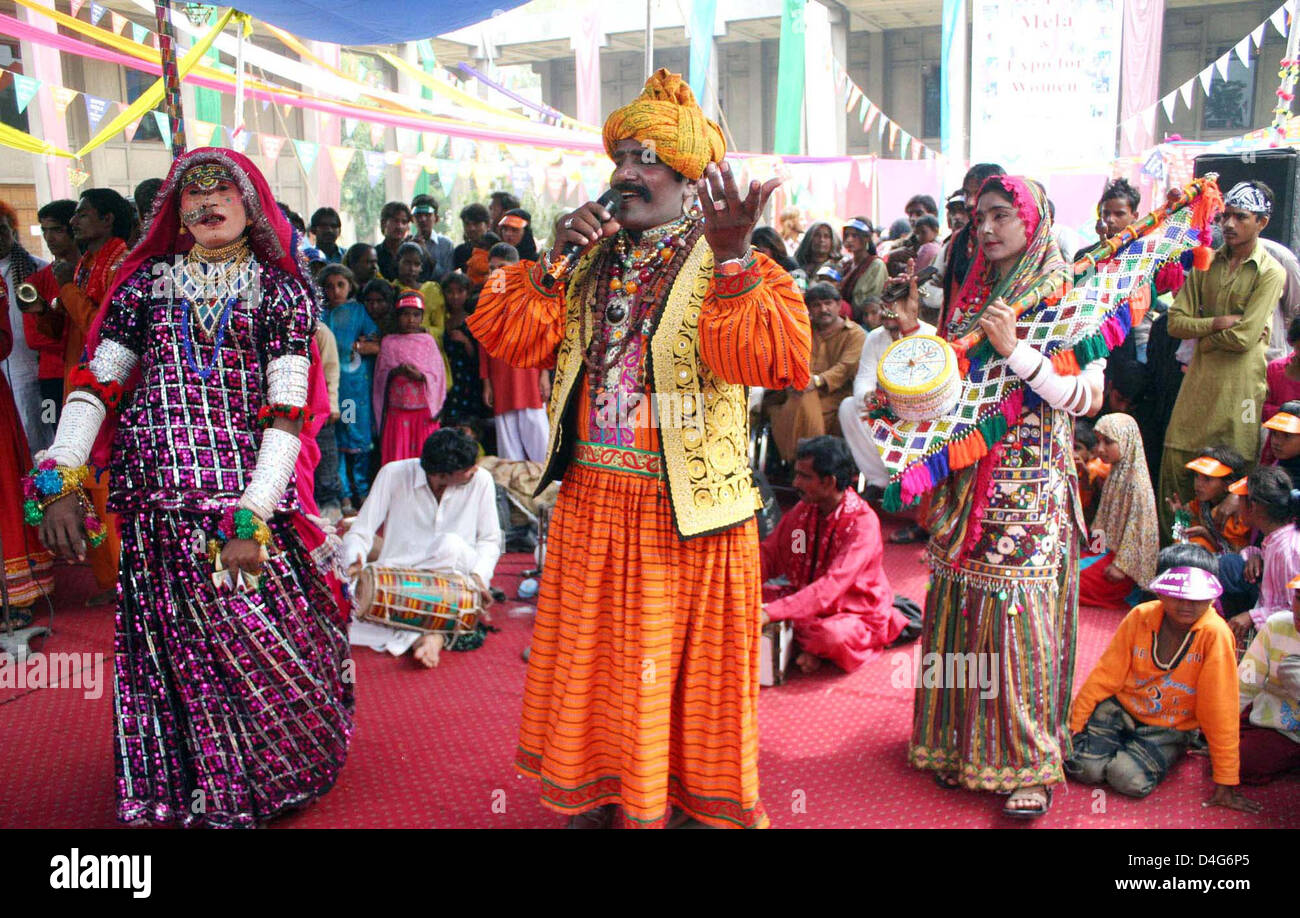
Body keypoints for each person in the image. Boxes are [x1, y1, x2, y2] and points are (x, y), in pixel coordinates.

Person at [468, 68, 809, 829]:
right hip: (592, 500)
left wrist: (730, 259)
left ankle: (681, 809)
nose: (625, 173)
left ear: (691, 178)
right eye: (621, 156)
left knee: (680, 678)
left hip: (687, 514)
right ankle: (601, 796)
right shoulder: (588, 257)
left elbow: (772, 361)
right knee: (600, 672)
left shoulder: (732, 257)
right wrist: (552, 261)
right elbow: (509, 336)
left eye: (646, 158)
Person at [34, 147, 353, 827]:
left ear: (251, 204)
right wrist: (62, 472)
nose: (207, 204)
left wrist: (252, 514)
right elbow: (96, 382)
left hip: (237, 509)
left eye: (223, 192)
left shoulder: (282, 291)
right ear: (173, 210)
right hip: (153, 505)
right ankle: (187, 787)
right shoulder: (146, 285)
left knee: (259, 652)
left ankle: (267, 778)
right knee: (168, 658)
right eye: (192, 194)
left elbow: (288, 413)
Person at [909, 176, 1106, 818]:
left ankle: (1027, 761)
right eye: (977, 217)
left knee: (1016, 618)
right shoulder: (972, 296)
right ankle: (960, 744)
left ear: (1032, 220)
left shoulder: (1067, 294)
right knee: (962, 605)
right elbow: (951, 398)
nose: (986, 228)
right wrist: (916, 347)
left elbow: (1086, 400)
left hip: (1028, 489)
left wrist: (1016, 351)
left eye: (1000, 215)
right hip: (970, 487)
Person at [1066, 544, 1259, 812]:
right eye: (1177, 595)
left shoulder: (1215, 634)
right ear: (1158, 590)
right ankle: (1117, 745)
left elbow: (1220, 706)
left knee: (1126, 779)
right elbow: (1105, 675)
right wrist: (1072, 725)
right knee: (1083, 770)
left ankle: (1166, 748)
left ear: (1212, 597)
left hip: (1172, 724)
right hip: (1121, 708)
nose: (1186, 604)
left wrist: (1225, 779)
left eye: (1197, 597)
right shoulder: (1140, 616)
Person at [1159, 181, 1285, 541]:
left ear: (1261, 222)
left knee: (1236, 476)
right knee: (1177, 468)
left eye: (1240, 217)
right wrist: (1217, 323)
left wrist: (1203, 336)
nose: (1228, 224)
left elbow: (1245, 339)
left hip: (1242, 393)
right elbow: (1174, 323)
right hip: (1198, 385)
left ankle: (1219, 572)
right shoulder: (1205, 262)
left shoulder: (1271, 271)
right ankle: (1176, 560)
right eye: (1225, 215)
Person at [42, 188, 134, 606]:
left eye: (82, 215)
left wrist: (67, 290)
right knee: (88, 478)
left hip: (107, 385)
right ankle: (108, 578)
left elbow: (103, 324)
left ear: (108, 220)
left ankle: (123, 580)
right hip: (78, 382)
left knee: (105, 481)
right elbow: (70, 328)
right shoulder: (84, 264)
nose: (73, 223)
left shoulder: (119, 261)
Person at [344, 428, 501, 668]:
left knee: (450, 544)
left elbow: (490, 540)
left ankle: (415, 633)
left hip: (453, 580)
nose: (475, 471)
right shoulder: (393, 474)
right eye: (467, 471)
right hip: (398, 581)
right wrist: (354, 564)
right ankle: (431, 635)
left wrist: (480, 578)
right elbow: (361, 531)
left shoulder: (481, 480)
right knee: (344, 615)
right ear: (439, 475)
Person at [759, 436, 906, 673]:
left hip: (851, 612)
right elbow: (777, 556)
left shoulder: (861, 524)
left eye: (804, 477)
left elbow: (832, 586)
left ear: (829, 482)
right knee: (741, 599)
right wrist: (739, 584)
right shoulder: (803, 514)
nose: (795, 482)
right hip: (806, 599)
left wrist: (769, 613)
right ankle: (803, 647)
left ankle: (807, 645)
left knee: (833, 637)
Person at [838, 269, 934, 495]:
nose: (889, 312)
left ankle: (912, 480)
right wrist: (868, 397)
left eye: (896, 306)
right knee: (849, 407)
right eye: (886, 306)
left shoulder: (929, 334)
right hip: (885, 408)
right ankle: (879, 480)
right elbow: (864, 379)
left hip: (919, 411)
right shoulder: (874, 337)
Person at [768, 282, 864, 464]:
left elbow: (845, 368)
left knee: (802, 397)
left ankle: (800, 461)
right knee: (799, 396)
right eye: (816, 305)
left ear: (839, 304)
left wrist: (817, 380)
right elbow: (786, 358)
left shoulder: (855, 334)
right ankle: (814, 463)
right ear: (809, 308)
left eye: (828, 303)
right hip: (797, 390)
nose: (823, 309)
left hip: (835, 395)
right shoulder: (800, 329)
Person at [1078, 413, 1158, 610]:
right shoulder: (1116, 473)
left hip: (1121, 570)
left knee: (1067, 578)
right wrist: (1093, 551)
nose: (1100, 449)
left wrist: (1120, 567)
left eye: (1108, 442)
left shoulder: (1136, 484)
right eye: (1098, 442)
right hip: (1106, 553)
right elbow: (1102, 521)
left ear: (1126, 441)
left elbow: (1141, 531)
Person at [479, 243, 549, 461]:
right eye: (492, 269)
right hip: (501, 380)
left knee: (539, 440)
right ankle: (514, 493)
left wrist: (545, 374)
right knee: (509, 449)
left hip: (529, 378)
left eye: (502, 267)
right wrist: (486, 382)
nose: (497, 273)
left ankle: (547, 490)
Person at [321, 265, 379, 511]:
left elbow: (375, 344)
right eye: (330, 286)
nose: (335, 291)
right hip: (330, 390)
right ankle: (343, 496)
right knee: (336, 444)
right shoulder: (320, 315)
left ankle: (363, 493)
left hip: (353, 392)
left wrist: (359, 347)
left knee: (356, 442)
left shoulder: (357, 312)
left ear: (350, 285)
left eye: (341, 285)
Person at [22, 200, 79, 436]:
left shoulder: (95, 271)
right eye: (44, 230)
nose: (49, 237)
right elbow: (34, 339)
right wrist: (75, 335)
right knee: (58, 438)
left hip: (87, 373)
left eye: (56, 229)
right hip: (52, 379)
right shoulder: (35, 282)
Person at [1237, 571, 1300, 784]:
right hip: (1273, 720)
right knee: (1237, 759)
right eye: (1299, 597)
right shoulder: (1277, 625)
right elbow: (1245, 682)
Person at [1229, 467, 1300, 645]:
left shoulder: (1286, 550)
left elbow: (1294, 609)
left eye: (1240, 499)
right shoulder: (1276, 539)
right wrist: (1255, 555)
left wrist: (1252, 616)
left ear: (1253, 506)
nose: (1237, 504)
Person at [374, 290, 446, 464]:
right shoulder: (388, 342)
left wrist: (420, 376)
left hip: (423, 413)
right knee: (398, 460)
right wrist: (395, 372)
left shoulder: (428, 342)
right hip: (397, 414)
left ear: (422, 317)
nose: (411, 320)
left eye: (416, 315)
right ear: (398, 316)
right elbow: (380, 376)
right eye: (405, 315)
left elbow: (438, 375)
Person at [0, 200, 49, 453]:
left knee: (40, 436)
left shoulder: (37, 268)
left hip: (33, 373)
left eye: (1, 230)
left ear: (12, 230)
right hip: (4, 378)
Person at [440, 271, 489, 425]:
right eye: (450, 292)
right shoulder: (440, 320)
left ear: (467, 293)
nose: (455, 296)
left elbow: (479, 357)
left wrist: (466, 342)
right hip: (446, 379)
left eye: (460, 292)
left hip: (467, 381)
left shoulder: (473, 320)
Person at [312, 317, 342, 520]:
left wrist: (332, 404)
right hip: (293, 408)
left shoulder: (321, 332)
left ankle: (330, 503)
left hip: (319, 407)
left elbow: (331, 370)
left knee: (326, 456)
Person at [393, 240, 448, 344]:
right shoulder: (391, 289)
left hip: (430, 349)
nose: (411, 269)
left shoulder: (432, 290)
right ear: (398, 262)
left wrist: (422, 330)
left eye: (417, 264)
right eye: (407, 262)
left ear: (421, 268)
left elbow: (440, 330)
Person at [839, 217, 886, 316]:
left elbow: (869, 300)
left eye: (854, 235)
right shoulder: (846, 265)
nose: (849, 239)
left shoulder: (876, 265)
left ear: (867, 238)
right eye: (847, 235)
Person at [454, 203, 499, 290]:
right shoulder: (460, 251)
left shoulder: (498, 248)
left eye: (476, 224)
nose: (472, 228)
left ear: (488, 225)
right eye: (467, 224)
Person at [410, 193, 454, 282]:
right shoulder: (408, 243)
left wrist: (426, 254)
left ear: (436, 219)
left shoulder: (445, 244)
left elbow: (447, 278)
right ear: (412, 219)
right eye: (418, 215)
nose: (423, 219)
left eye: (427, 215)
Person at [375, 201, 413, 283]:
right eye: (395, 221)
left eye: (404, 222)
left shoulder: (412, 253)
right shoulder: (374, 254)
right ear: (383, 223)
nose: (399, 227)